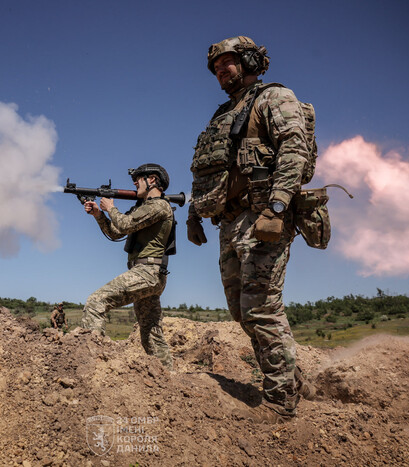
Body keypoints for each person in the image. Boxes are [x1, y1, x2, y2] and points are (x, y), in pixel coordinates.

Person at [186, 36, 314, 422]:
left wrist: (277, 206)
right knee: (241, 311)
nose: (221, 70)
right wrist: (195, 214)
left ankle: (280, 403)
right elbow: (214, 172)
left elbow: (295, 148)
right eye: (216, 67)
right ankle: (291, 378)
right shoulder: (224, 114)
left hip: (263, 217)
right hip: (230, 223)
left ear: (250, 60)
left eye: (228, 62)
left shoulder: (273, 97)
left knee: (261, 307)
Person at [81, 164, 175, 370]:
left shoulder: (159, 206)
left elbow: (125, 225)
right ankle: (169, 380)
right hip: (149, 274)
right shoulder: (143, 208)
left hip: (147, 272)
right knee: (151, 333)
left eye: (138, 179)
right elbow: (116, 232)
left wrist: (111, 208)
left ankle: (93, 365)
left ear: (152, 179)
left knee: (96, 301)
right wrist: (99, 214)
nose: (134, 183)